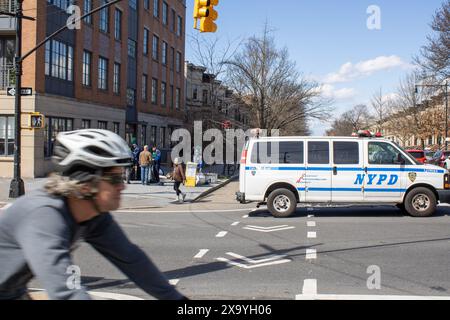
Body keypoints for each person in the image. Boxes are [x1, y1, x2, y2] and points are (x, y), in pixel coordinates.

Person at [0, 129, 187, 300]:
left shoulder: (93, 215)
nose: (123, 185)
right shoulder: (44, 216)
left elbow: (132, 260)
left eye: (122, 176)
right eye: (114, 179)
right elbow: (68, 292)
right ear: (86, 183)